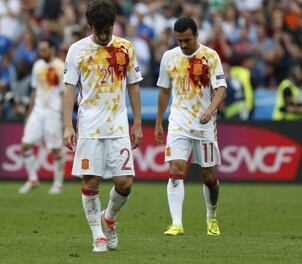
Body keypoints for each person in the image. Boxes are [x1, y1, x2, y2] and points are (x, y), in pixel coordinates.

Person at [63, 0, 143, 252]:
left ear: (113, 23)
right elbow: (69, 89)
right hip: (89, 126)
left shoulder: (125, 47)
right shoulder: (77, 50)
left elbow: (134, 84)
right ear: (90, 26)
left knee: (125, 183)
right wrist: (68, 125)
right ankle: (98, 235)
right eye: (100, 29)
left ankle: (109, 218)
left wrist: (138, 123)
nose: (105, 34)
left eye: (108, 28)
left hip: (118, 125)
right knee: (91, 181)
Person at [154, 17, 226, 236]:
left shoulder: (210, 56)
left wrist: (211, 109)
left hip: (203, 123)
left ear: (196, 36)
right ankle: (176, 223)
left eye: (187, 40)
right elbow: (164, 91)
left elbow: (221, 88)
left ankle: (211, 217)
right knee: (176, 167)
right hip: (178, 121)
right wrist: (159, 121)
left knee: (208, 176)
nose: (183, 45)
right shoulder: (169, 57)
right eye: (179, 41)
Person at [18, 38, 65, 195]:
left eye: (44, 50)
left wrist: (64, 117)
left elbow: (65, 93)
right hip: (38, 110)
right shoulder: (37, 65)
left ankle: (58, 183)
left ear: (52, 49)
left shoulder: (60, 66)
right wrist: (29, 112)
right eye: (40, 50)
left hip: (53, 111)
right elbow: (33, 89)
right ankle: (32, 178)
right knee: (25, 144)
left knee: (55, 148)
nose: (41, 52)